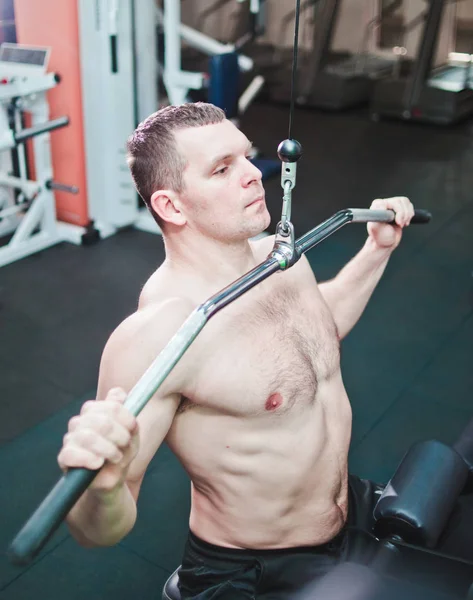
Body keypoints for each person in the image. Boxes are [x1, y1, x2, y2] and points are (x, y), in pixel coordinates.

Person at [57, 102, 415, 598]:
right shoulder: (162, 333)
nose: (252, 175)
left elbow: (317, 330)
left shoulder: (277, 255)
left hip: (347, 519)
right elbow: (94, 530)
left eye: (246, 158)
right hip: (250, 572)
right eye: (222, 170)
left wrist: (377, 250)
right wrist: (102, 487)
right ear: (171, 206)